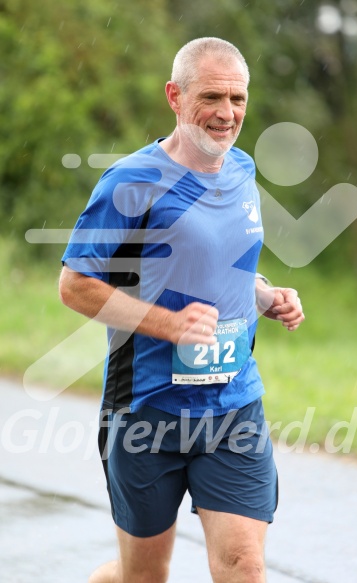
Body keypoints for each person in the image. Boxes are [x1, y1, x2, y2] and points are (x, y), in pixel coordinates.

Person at [59, 37, 304, 583]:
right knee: (142, 575)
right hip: (146, 410)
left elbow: (223, 264)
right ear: (174, 95)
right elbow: (75, 284)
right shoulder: (130, 182)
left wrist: (264, 294)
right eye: (212, 96)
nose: (227, 113)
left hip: (232, 407)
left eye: (238, 98)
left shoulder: (242, 170)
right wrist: (168, 326)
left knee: (244, 564)